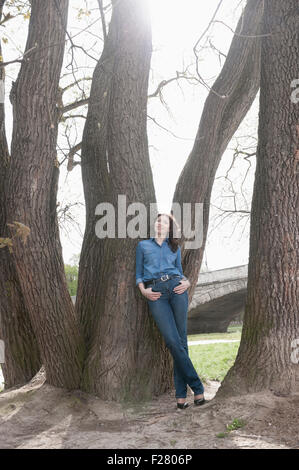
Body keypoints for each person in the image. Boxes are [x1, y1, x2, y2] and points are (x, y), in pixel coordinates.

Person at [135, 212, 206, 409]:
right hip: (156, 293)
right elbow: (139, 274)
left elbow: (180, 273)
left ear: (169, 228)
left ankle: (181, 397)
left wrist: (188, 282)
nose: (160, 223)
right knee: (173, 341)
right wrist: (144, 291)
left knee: (181, 341)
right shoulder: (143, 246)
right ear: (155, 224)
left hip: (177, 290)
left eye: (165, 222)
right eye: (158, 220)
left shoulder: (174, 247)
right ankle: (197, 386)